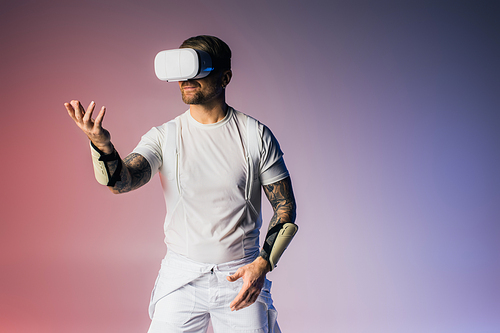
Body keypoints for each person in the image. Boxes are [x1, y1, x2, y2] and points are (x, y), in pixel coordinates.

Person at [65, 35, 297, 333]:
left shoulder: (255, 135)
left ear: (225, 76)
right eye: (182, 71)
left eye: (197, 69)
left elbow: (285, 207)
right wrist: (102, 146)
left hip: (241, 275)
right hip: (182, 277)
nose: (187, 79)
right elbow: (121, 182)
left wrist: (263, 264)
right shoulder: (165, 136)